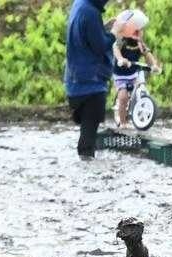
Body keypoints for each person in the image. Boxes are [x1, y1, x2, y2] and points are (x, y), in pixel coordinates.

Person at [62, 0, 113, 158]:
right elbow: (100, 46)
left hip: (75, 81)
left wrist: (103, 28)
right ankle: (87, 167)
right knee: (87, 141)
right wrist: (114, 34)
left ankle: (85, 165)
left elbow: (86, 35)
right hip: (91, 85)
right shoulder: (91, 12)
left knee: (86, 132)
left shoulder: (80, 4)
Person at [110, 8, 158, 129]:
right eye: (137, 31)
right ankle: (123, 121)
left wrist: (154, 65)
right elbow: (115, 49)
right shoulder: (122, 41)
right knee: (123, 96)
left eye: (141, 31)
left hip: (134, 72)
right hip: (121, 74)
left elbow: (147, 54)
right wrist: (121, 59)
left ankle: (141, 104)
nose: (140, 33)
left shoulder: (140, 43)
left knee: (142, 85)